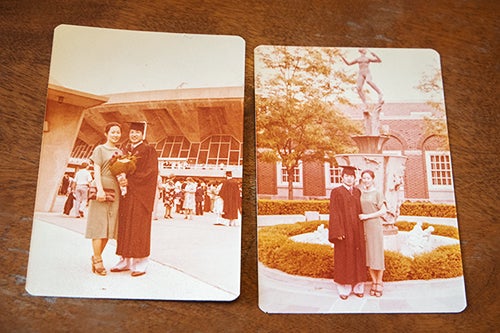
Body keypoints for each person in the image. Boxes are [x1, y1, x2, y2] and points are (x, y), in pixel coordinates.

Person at [111, 122, 158, 277]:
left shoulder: (149, 150)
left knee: (138, 227)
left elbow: (151, 173)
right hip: (126, 195)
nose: (134, 135)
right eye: (132, 132)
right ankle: (124, 260)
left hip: (140, 195)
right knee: (124, 226)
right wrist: (120, 178)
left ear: (143, 134)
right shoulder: (125, 149)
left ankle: (141, 262)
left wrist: (130, 181)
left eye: (137, 132)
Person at [85, 122, 123, 276]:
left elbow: (121, 172)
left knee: (109, 227)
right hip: (102, 187)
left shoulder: (120, 152)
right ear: (106, 133)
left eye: (118, 132)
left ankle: (96, 257)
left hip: (115, 190)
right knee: (98, 224)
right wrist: (99, 189)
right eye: (113, 132)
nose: (116, 135)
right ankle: (98, 260)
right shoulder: (99, 149)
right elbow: (97, 170)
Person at [328, 165, 366, 300]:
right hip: (343, 231)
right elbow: (334, 212)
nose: (349, 179)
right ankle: (343, 288)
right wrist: (337, 231)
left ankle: (358, 286)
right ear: (342, 177)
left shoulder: (357, 192)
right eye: (347, 176)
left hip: (357, 230)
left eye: (352, 177)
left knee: (358, 256)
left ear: (355, 178)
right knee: (343, 256)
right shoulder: (336, 192)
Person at [359, 170, 387, 297]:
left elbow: (383, 211)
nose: (366, 180)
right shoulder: (361, 193)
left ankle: (379, 282)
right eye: (364, 178)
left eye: (368, 178)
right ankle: (373, 281)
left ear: (373, 179)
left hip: (374, 226)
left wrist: (367, 216)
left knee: (377, 254)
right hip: (364, 227)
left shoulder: (377, 193)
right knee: (369, 255)